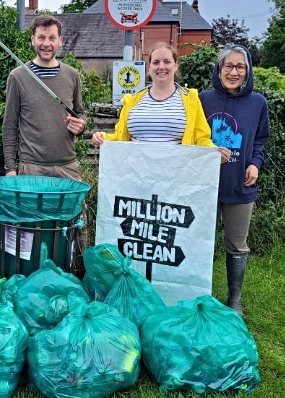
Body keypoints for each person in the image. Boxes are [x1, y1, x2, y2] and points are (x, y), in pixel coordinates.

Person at [1, 15, 88, 274]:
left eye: (51, 38)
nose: (46, 43)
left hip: (67, 167)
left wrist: (80, 126)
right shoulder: (18, 76)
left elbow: (81, 114)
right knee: (32, 229)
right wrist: (10, 168)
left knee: (74, 225)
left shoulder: (72, 75)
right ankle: (29, 277)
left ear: (60, 41)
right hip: (32, 169)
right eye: (41, 37)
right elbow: (9, 126)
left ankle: (76, 275)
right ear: (32, 40)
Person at [199, 44, 270, 317]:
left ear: (248, 71)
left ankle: (234, 299)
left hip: (240, 185)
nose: (233, 72)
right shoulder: (203, 100)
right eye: (228, 66)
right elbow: (191, 136)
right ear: (219, 70)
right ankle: (198, 294)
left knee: (237, 244)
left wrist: (255, 163)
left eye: (240, 66)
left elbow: (261, 138)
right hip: (204, 185)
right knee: (200, 242)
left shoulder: (258, 103)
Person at [91, 42, 230, 158]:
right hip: (135, 176)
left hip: (175, 177)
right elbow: (119, 137)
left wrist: (215, 152)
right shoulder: (132, 101)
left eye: (167, 61)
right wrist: (102, 137)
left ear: (175, 66)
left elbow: (201, 138)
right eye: (156, 62)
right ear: (149, 67)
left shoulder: (190, 100)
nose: (161, 67)